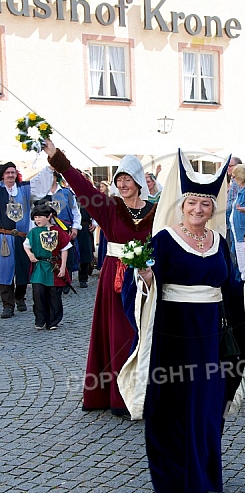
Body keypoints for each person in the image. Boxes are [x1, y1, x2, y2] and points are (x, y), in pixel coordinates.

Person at [117, 149, 245, 493]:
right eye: (193, 203)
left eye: (206, 204)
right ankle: (176, 484)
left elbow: (229, 287)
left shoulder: (220, 244)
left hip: (211, 340)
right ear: (181, 203)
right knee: (171, 410)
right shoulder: (166, 240)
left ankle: (200, 485)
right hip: (172, 338)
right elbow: (138, 285)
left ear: (213, 208)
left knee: (205, 411)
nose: (199, 209)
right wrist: (145, 279)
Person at [42, 139, 157, 416]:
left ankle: (145, 393)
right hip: (115, 280)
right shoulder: (109, 207)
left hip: (148, 277)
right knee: (120, 335)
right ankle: (119, 397)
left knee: (148, 335)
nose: (124, 183)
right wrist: (57, 158)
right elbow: (82, 188)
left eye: (128, 178)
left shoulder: (157, 210)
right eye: (120, 179)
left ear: (140, 181)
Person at [0, 161, 54, 318]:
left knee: (23, 268)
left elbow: (39, 182)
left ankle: (20, 297)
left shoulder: (23, 189)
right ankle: (7, 305)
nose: (11, 175)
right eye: (7, 173)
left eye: (13, 172)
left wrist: (50, 167)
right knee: (4, 270)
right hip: (4, 237)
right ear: (2, 175)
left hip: (22, 236)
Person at [23, 199, 72, 330]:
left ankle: (53, 321)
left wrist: (63, 267)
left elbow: (65, 248)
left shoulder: (57, 231)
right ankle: (40, 320)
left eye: (40, 217)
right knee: (38, 293)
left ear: (48, 217)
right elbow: (26, 246)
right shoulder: (33, 232)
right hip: (40, 266)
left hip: (54, 266)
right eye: (35, 217)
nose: (37, 220)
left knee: (54, 294)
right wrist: (30, 255)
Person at [45, 171, 82, 292]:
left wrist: (75, 227)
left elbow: (76, 212)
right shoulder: (42, 194)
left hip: (65, 229)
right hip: (48, 230)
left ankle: (67, 278)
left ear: (56, 177)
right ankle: (52, 279)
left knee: (67, 254)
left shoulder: (66, 193)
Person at [96, 181, 110, 270]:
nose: (101, 188)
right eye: (100, 187)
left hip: (107, 224)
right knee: (102, 245)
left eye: (102, 186)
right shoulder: (98, 198)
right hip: (102, 225)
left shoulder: (109, 199)